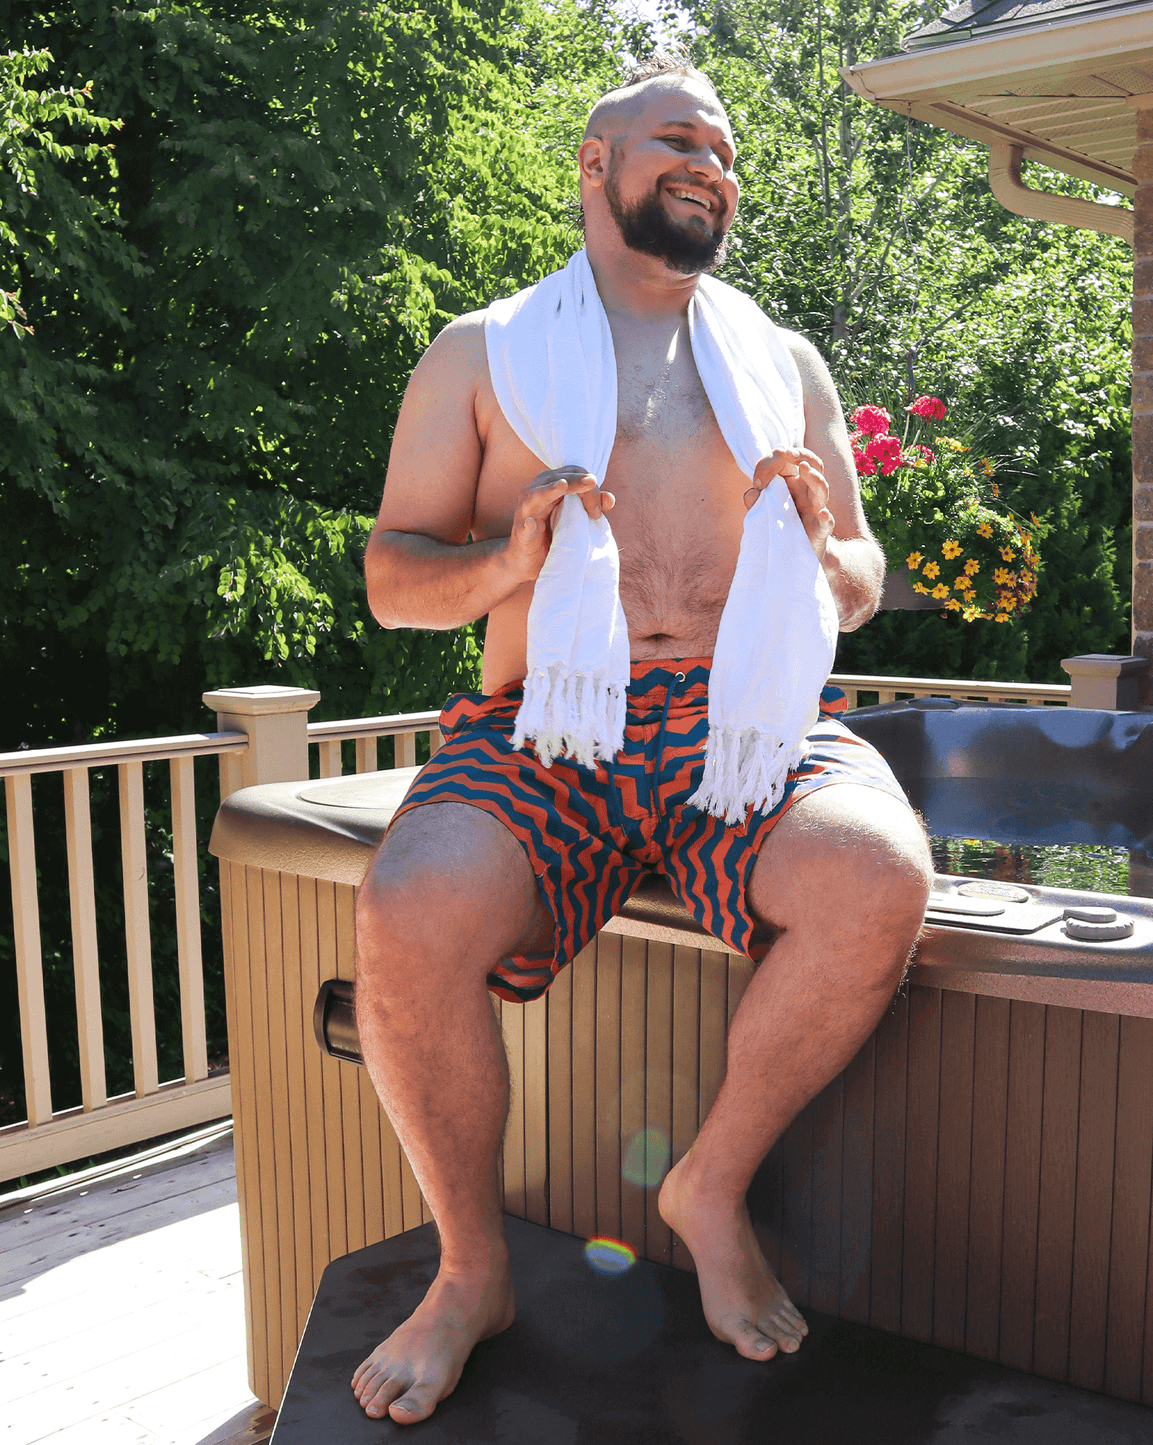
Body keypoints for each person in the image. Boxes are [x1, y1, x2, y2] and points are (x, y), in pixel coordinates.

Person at [350, 55, 932, 1425]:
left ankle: (706, 1185)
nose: (707, 162)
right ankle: (473, 1269)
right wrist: (513, 557)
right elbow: (392, 578)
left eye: (723, 151)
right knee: (409, 903)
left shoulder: (782, 362)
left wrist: (822, 554)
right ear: (595, 166)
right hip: (546, 722)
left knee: (878, 879)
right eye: (675, 136)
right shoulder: (482, 352)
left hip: (742, 721)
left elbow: (863, 573)